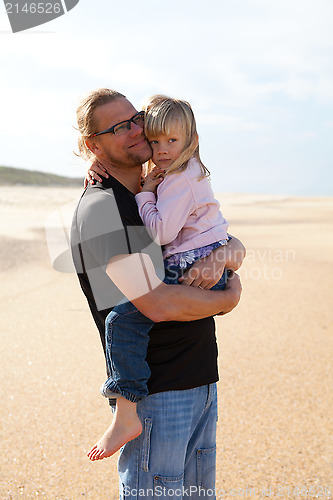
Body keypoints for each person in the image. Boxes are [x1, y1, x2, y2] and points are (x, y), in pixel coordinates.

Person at [71, 88, 244, 499]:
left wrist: (226, 254)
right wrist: (228, 299)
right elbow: (157, 302)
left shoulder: (162, 187)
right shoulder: (102, 209)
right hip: (156, 394)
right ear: (93, 145)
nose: (134, 131)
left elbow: (214, 234)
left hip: (200, 382)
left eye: (136, 120)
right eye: (117, 128)